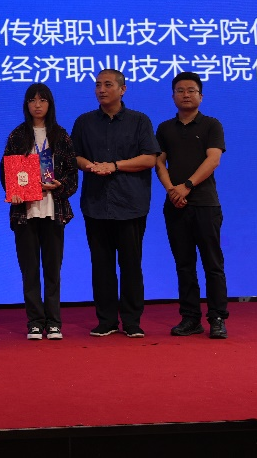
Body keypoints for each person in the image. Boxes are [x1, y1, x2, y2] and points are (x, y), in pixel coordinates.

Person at [71, 69, 160, 339]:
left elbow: (150, 158)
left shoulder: (139, 121)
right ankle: (107, 320)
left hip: (130, 204)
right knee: (101, 266)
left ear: (123, 89)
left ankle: (132, 321)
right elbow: (73, 156)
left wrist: (114, 166)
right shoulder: (84, 122)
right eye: (98, 85)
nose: (101, 90)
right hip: (96, 204)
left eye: (108, 84)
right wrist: (89, 166)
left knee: (131, 265)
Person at [0, 83, 79, 340]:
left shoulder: (61, 135)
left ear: (50, 104)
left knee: (53, 270)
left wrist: (59, 185)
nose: (37, 105)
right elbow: (6, 172)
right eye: (32, 100)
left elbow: (72, 176)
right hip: (25, 212)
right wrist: (14, 190)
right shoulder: (17, 135)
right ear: (26, 105)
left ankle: (54, 322)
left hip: (53, 210)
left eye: (42, 100)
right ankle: (34, 321)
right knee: (29, 270)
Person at [155, 71, 229, 340]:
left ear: (201, 96)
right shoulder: (164, 128)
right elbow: (159, 162)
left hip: (205, 204)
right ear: (173, 95)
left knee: (212, 264)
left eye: (191, 90)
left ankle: (217, 318)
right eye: (180, 90)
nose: (185, 95)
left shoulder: (211, 125)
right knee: (184, 265)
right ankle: (190, 318)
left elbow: (213, 160)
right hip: (175, 205)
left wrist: (186, 186)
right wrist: (171, 191)